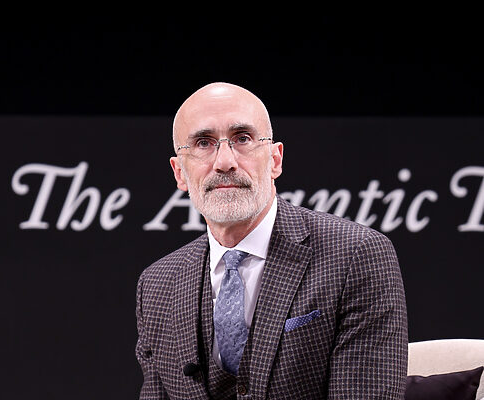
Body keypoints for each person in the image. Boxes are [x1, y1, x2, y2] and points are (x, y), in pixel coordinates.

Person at [135, 82, 408, 399]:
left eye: (242, 138)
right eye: (203, 143)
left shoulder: (356, 255)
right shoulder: (156, 285)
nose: (225, 162)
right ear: (180, 172)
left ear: (275, 159)